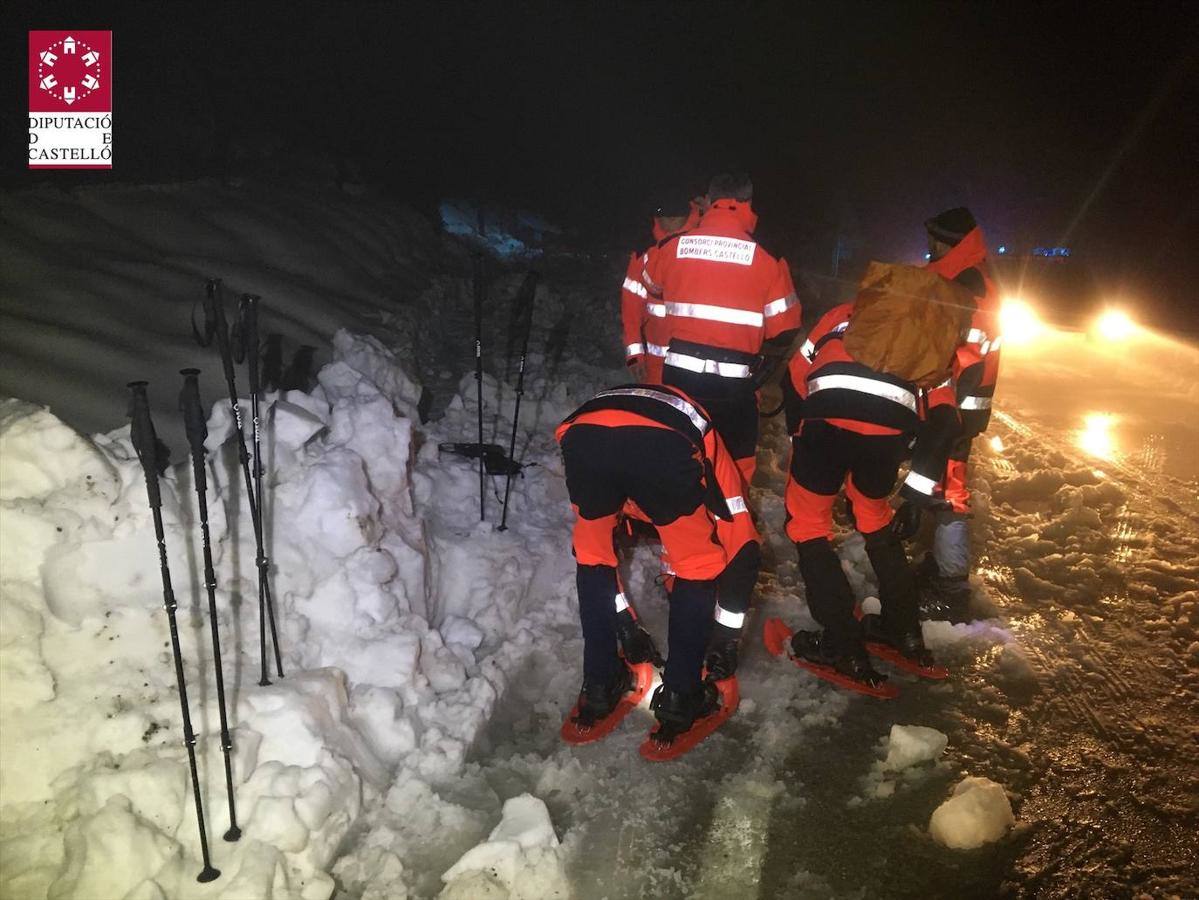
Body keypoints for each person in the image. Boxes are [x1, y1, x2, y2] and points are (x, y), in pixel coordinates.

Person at [777, 273, 960, 689]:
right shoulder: (932, 337)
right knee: (874, 517)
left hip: (824, 427)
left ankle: (843, 645)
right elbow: (946, 420)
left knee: (808, 526)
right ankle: (905, 632)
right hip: (885, 440)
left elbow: (793, 375)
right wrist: (915, 495)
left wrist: (799, 431)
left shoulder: (841, 316)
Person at [556, 382, 756, 747]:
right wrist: (726, 636)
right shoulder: (697, 454)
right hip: (662, 441)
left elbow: (590, 554)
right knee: (697, 564)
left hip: (581, 435)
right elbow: (742, 544)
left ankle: (600, 686)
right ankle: (682, 698)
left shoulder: (701, 448)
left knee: (592, 554)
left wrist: (624, 624)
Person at [643, 173, 802, 483]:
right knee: (734, 462)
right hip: (734, 384)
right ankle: (730, 526)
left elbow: (651, 283)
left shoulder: (675, 246)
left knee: (680, 449)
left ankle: (678, 519)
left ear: (709, 201)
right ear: (747, 204)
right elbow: (786, 327)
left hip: (679, 375)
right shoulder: (768, 258)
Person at [896, 207, 1002, 620]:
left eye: (934, 241)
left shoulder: (965, 286)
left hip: (955, 406)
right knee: (942, 488)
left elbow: (959, 356)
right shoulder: (969, 276)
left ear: (948, 241)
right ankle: (941, 568)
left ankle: (951, 591)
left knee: (949, 495)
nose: (929, 247)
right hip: (957, 404)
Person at [621, 197, 704, 383]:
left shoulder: (703, 246)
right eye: (665, 215)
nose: (670, 220)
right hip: (656, 365)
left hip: (698, 366)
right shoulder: (644, 254)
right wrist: (635, 356)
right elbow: (630, 311)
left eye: (675, 216)